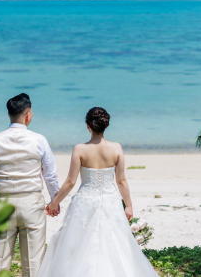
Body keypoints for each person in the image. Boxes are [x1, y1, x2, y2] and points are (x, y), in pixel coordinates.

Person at [36, 107, 158, 277]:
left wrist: (54, 203)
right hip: (111, 201)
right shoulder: (116, 148)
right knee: (115, 244)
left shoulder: (80, 149)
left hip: (85, 201)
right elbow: (121, 180)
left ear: (88, 126)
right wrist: (128, 205)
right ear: (105, 126)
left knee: (76, 247)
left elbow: (71, 182)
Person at [0, 93, 60, 277]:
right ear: (28, 114)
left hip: (1, 204)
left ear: (9, 114)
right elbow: (50, 175)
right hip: (31, 205)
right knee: (33, 264)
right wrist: (54, 201)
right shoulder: (39, 140)